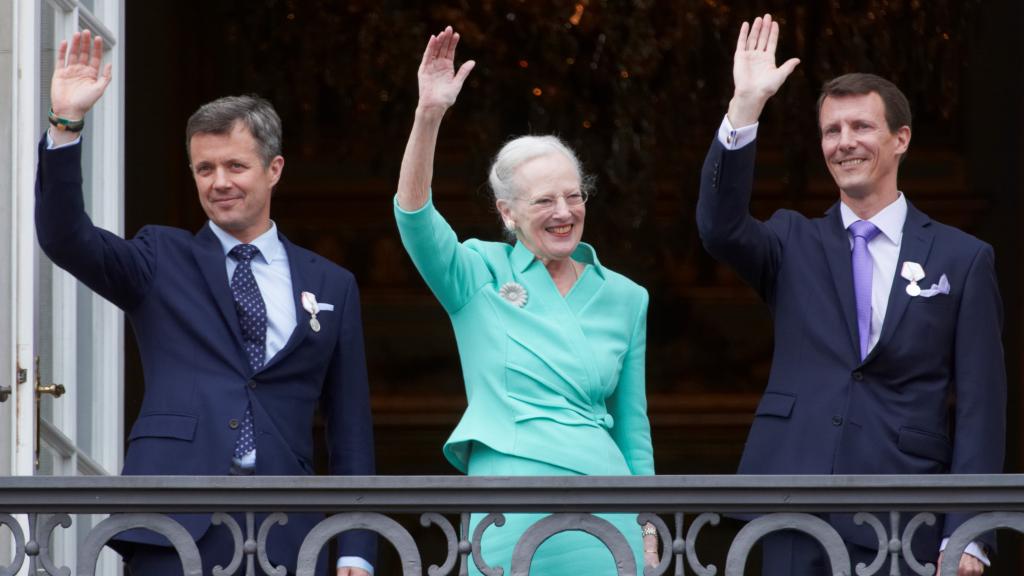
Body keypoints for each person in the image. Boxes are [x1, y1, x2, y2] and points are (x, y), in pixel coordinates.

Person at [35, 31, 375, 576]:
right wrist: (65, 124)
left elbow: (350, 426)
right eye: (204, 169)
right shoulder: (159, 256)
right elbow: (64, 237)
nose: (219, 183)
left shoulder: (332, 284)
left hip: (287, 530)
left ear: (274, 169)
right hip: (173, 524)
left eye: (235, 166)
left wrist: (357, 546)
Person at [696, 14, 1005, 576]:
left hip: (903, 511)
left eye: (861, 127)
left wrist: (970, 534)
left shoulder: (963, 259)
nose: (845, 143)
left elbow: (983, 406)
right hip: (793, 504)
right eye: (831, 131)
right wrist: (744, 109)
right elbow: (718, 227)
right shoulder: (792, 241)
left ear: (900, 139)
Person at [393, 27, 657, 574]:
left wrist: (650, 521)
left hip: (608, 515)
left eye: (573, 195)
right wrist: (428, 116)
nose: (564, 211)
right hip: (506, 509)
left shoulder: (627, 297)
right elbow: (415, 219)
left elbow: (633, 428)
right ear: (508, 213)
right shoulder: (477, 273)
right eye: (544, 200)